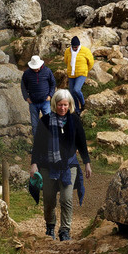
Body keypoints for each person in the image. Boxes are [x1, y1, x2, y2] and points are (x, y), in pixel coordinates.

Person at [29, 89, 91, 241]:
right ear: (54, 104)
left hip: (69, 165)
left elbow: (81, 142)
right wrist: (34, 164)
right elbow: (37, 145)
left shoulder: (74, 120)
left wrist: (87, 163)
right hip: (47, 165)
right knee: (49, 199)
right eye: (59, 105)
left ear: (69, 105)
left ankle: (65, 230)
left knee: (66, 199)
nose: (62, 108)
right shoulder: (45, 121)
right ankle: (50, 227)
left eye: (65, 105)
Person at [20, 55, 55, 141]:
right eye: (35, 68)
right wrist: (27, 98)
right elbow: (23, 86)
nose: (37, 69)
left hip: (45, 102)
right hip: (33, 103)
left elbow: (53, 84)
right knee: (35, 125)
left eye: (37, 67)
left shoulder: (47, 71)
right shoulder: (27, 73)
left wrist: (50, 95)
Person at [66, 35, 95, 110]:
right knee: (72, 93)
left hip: (81, 74)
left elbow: (91, 62)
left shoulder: (85, 51)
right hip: (71, 74)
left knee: (76, 89)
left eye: (76, 47)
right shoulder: (67, 51)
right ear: (71, 46)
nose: (75, 48)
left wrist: (86, 70)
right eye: (74, 47)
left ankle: (83, 103)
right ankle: (77, 109)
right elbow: (66, 61)